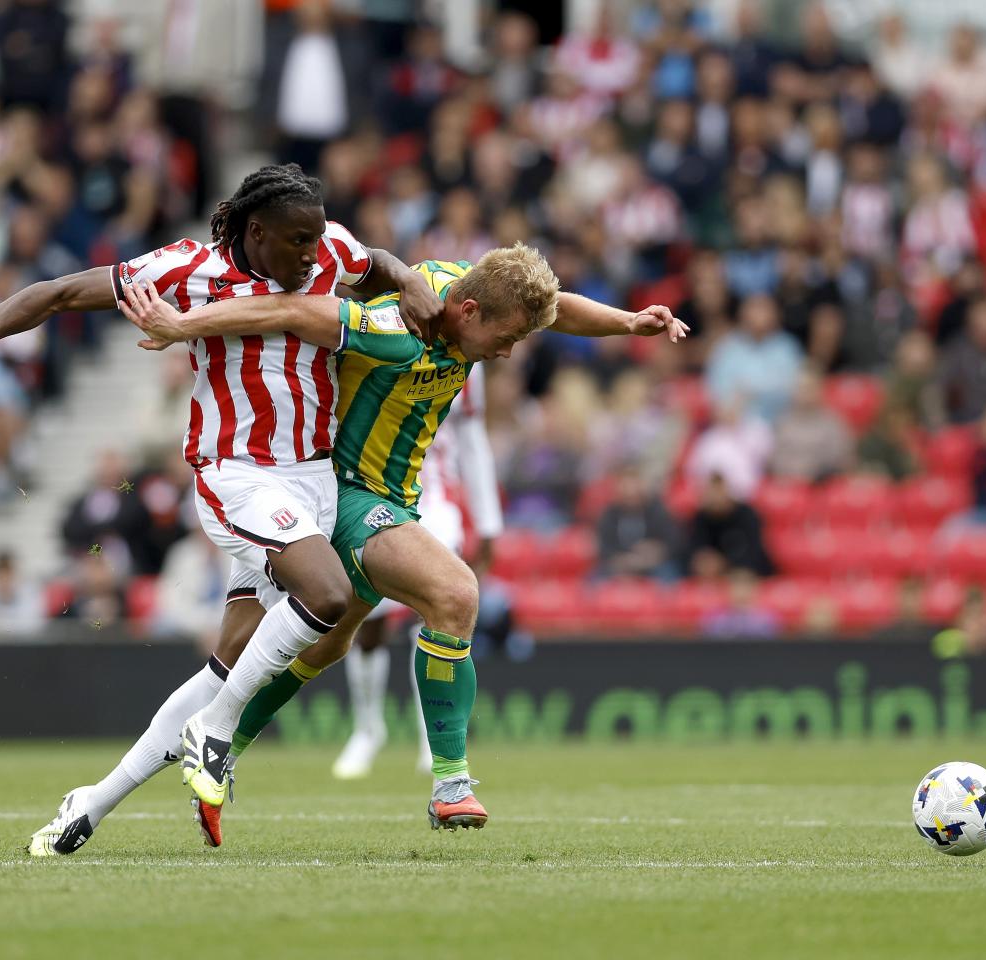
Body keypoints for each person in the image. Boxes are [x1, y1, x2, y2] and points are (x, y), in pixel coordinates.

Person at [0, 163, 443, 856]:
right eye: (297, 243)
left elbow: (372, 262)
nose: (314, 256)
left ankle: (90, 804)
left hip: (314, 477)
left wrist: (407, 278)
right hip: (239, 474)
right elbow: (56, 294)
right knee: (329, 596)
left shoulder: (326, 250)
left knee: (229, 663)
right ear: (256, 233)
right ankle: (217, 731)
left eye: (317, 240)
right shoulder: (184, 269)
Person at [118, 245, 686, 837]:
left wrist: (627, 321)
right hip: (341, 493)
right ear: (468, 312)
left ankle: (218, 737)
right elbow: (286, 311)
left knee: (327, 648)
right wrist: (182, 325)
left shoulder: (465, 292)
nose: (509, 352)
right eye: (507, 337)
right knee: (455, 592)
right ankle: (451, 785)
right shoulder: (390, 329)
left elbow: (554, 308)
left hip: (394, 494)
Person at [333, 365, 503, 781]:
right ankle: (368, 728)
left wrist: (488, 520)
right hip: (372, 495)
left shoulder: (466, 353)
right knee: (365, 617)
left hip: (436, 499)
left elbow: (471, 434)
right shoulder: (373, 332)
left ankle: (434, 735)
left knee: (434, 611)